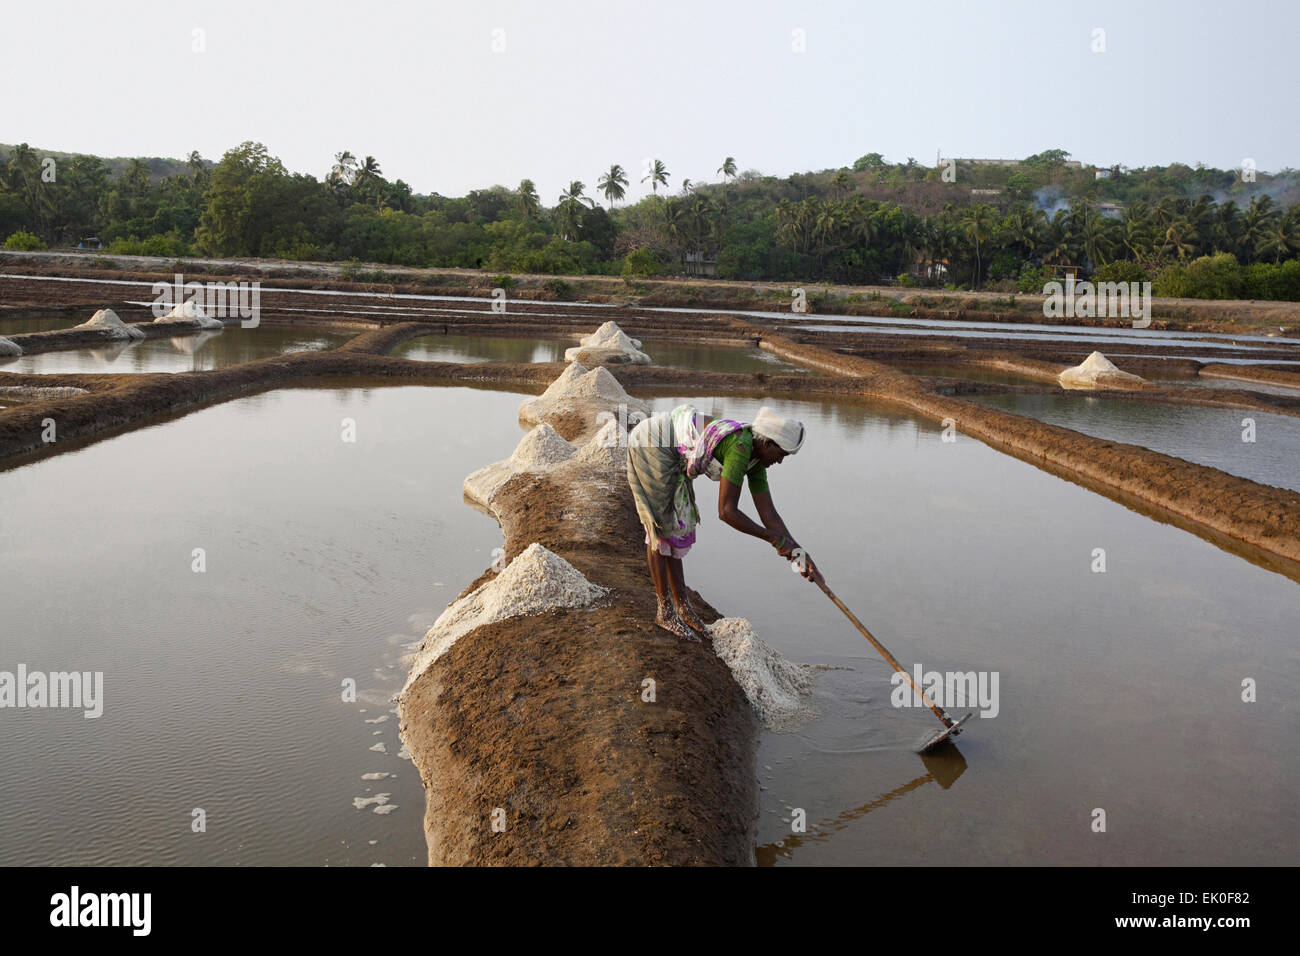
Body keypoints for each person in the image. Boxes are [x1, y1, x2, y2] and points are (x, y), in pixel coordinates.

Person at [625, 404, 821, 641]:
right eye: (781, 455)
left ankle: (683, 608)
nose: (780, 461)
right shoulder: (740, 447)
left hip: (672, 452)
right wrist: (774, 539)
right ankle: (665, 612)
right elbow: (727, 512)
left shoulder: (756, 460)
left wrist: (799, 554)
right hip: (653, 443)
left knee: (678, 526)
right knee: (661, 525)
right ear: (768, 444)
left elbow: (768, 514)